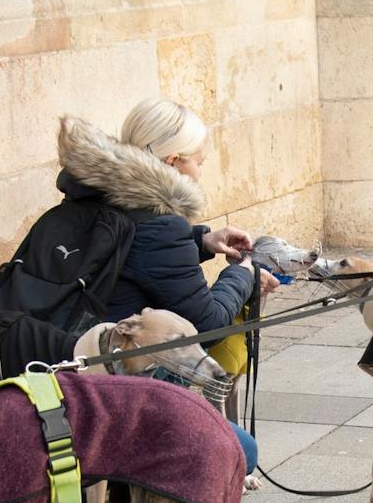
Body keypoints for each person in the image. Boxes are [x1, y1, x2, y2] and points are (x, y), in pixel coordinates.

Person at [92, 99, 279, 378]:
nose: (200, 173)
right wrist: (243, 275)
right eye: (199, 163)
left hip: (86, 355)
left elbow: (133, 252)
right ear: (173, 162)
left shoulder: (99, 194)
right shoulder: (162, 227)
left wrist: (200, 241)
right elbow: (208, 326)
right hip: (131, 377)